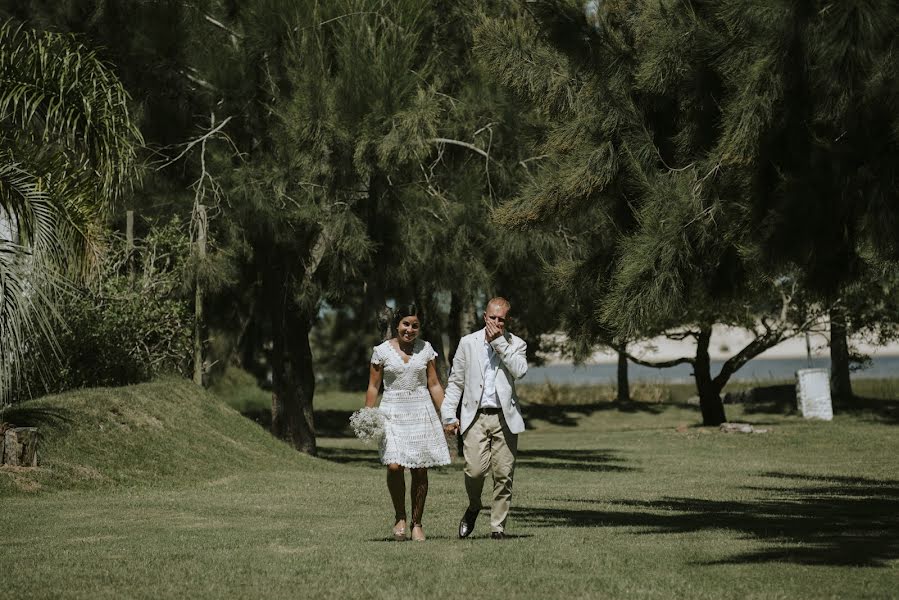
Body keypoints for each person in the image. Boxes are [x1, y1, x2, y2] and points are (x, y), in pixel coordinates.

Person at [442, 297, 527, 540]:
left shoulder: (516, 344)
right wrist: (449, 415)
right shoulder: (468, 343)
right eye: (493, 318)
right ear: (484, 317)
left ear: (507, 320)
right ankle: (474, 506)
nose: (496, 323)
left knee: (503, 474)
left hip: (504, 418)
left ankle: (497, 527)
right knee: (475, 471)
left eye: (501, 319)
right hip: (475, 418)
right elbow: (456, 382)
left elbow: (519, 371)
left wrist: (499, 342)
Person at [364, 304, 450, 542]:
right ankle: (400, 516)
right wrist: (368, 415)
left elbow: (434, 384)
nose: (410, 330)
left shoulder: (426, 350)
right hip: (392, 411)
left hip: (421, 411)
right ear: (397, 324)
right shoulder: (381, 351)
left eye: (415, 325)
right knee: (394, 466)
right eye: (406, 324)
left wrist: (448, 416)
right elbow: (373, 386)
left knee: (420, 468)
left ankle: (417, 523)